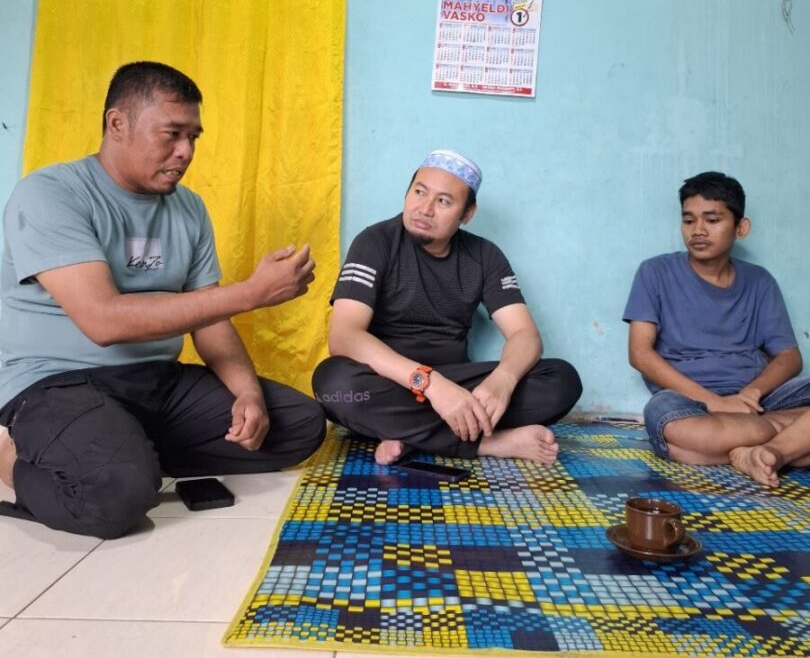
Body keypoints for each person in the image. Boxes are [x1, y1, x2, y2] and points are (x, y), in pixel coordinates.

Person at [0, 61, 325, 538]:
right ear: (117, 124)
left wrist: (247, 393)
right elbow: (103, 321)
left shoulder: (189, 207)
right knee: (117, 496)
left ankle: (126, 448)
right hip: (57, 383)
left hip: (157, 382)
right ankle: (12, 458)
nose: (186, 151)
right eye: (172, 134)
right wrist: (250, 293)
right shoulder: (50, 194)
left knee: (299, 424)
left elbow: (209, 317)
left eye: (193, 137)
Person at [312, 149, 581, 466]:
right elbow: (344, 337)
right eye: (419, 192)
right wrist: (431, 386)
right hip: (389, 380)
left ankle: (409, 433)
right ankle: (489, 443)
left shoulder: (484, 256)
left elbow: (525, 334)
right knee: (333, 386)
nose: (425, 209)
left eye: (443, 201)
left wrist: (502, 381)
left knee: (562, 380)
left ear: (467, 214)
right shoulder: (374, 242)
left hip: (458, 384)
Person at [623, 171, 810, 466]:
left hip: (757, 402)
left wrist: (752, 393)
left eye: (712, 220)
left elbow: (789, 357)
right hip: (687, 402)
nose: (698, 230)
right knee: (669, 422)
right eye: (688, 220)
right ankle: (790, 440)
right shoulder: (655, 272)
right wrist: (716, 403)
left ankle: (762, 450)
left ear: (741, 228)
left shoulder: (759, 281)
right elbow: (640, 354)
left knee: (691, 447)